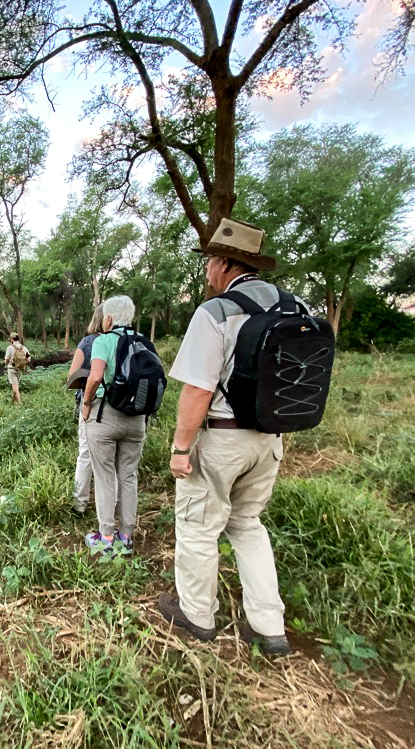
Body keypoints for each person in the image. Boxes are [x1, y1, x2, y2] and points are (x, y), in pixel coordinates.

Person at [158, 218, 291, 657]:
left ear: (225, 264)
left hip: (223, 438)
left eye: (210, 262)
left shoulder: (216, 311)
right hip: (270, 438)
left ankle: (196, 614)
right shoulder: (295, 308)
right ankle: (269, 626)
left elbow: (197, 388)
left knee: (198, 527)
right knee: (248, 524)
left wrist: (180, 448)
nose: (207, 271)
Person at [79, 295, 146, 557]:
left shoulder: (104, 340)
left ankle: (106, 536)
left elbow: (95, 376)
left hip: (106, 416)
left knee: (105, 475)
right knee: (128, 475)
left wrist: (86, 402)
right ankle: (126, 536)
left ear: (107, 319)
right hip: (137, 420)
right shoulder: (144, 342)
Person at [66, 304, 104, 515]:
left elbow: (73, 375)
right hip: (120, 407)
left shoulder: (88, 342)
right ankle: (107, 505)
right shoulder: (122, 340)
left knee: (85, 454)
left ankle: (80, 504)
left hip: (91, 404)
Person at [4, 332, 30, 404]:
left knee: (15, 386)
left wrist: (6, 362)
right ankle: (14, 401)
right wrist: (22, 363)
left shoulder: (10, 347)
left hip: (12, 369)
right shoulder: (24, 348)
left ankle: (19, 403)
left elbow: (6, 359)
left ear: (12, 339)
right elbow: (28, 359)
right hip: (20, 369)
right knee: (16, 384)